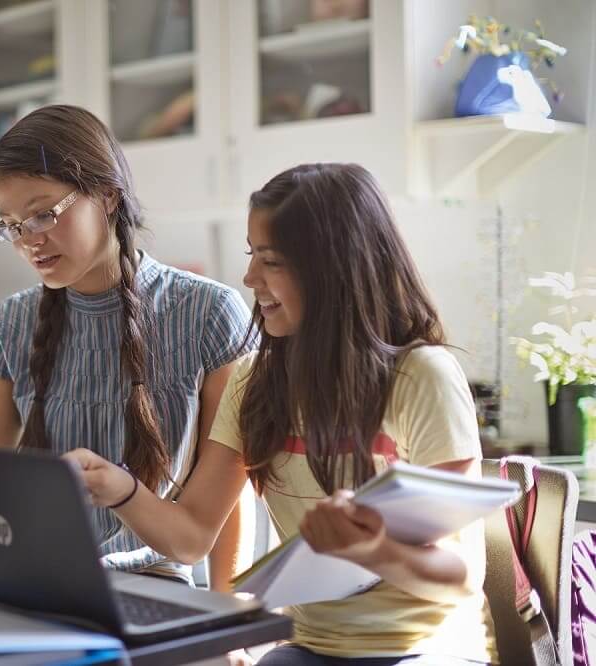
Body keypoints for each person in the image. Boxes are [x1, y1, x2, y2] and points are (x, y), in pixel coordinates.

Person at [66, 163, 497, 664]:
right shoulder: (253, 383)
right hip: (309, 648)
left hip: (429, 648)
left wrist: (373, 549)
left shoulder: (422, 377)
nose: (249, 277)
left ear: (334, 268)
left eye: (270, 262)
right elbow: (190, 539)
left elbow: (462, 579)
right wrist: (121, 490)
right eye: (253, 257)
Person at [0, 104, 255, 588]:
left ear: (108, 196)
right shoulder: (10, 324)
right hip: (30, 582)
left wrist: (231, 612)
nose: (30, 240)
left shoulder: (209, 314)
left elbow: (224, 497)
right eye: (11, 225)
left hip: (154, 582)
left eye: (43, 214)